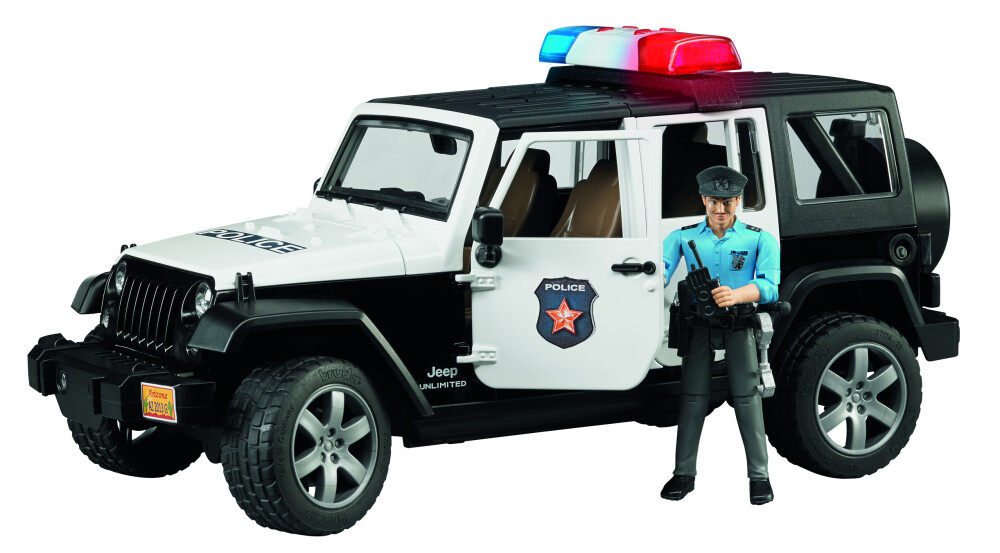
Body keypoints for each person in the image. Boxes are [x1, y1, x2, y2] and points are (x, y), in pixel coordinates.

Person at [660, 165, 780, 505]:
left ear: (738, 200)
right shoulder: (682, 237)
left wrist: (737, 295)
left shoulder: (758, 238)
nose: (721, 209)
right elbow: (660, 270)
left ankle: (760, 476)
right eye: (714, 201)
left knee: (747, 397)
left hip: (738, 323)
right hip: (697, 324)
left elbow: (770, 286)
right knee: (692, 397)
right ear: (703, 200)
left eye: (727, 202)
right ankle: (684, 473)